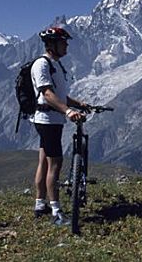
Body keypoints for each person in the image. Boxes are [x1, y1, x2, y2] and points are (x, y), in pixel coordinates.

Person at [31, 26, 89, 226]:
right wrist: (68, 111)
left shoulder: (54, 64)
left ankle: (40, 204)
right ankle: (56, 212)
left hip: (49, 120)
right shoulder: (42, 64)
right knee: (55, 165)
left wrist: (77, 104)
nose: (66, 46)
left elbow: (60, 94)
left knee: (44, 162)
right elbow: (47, 94)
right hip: (48, 120)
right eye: (63, 42)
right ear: (52, 44)